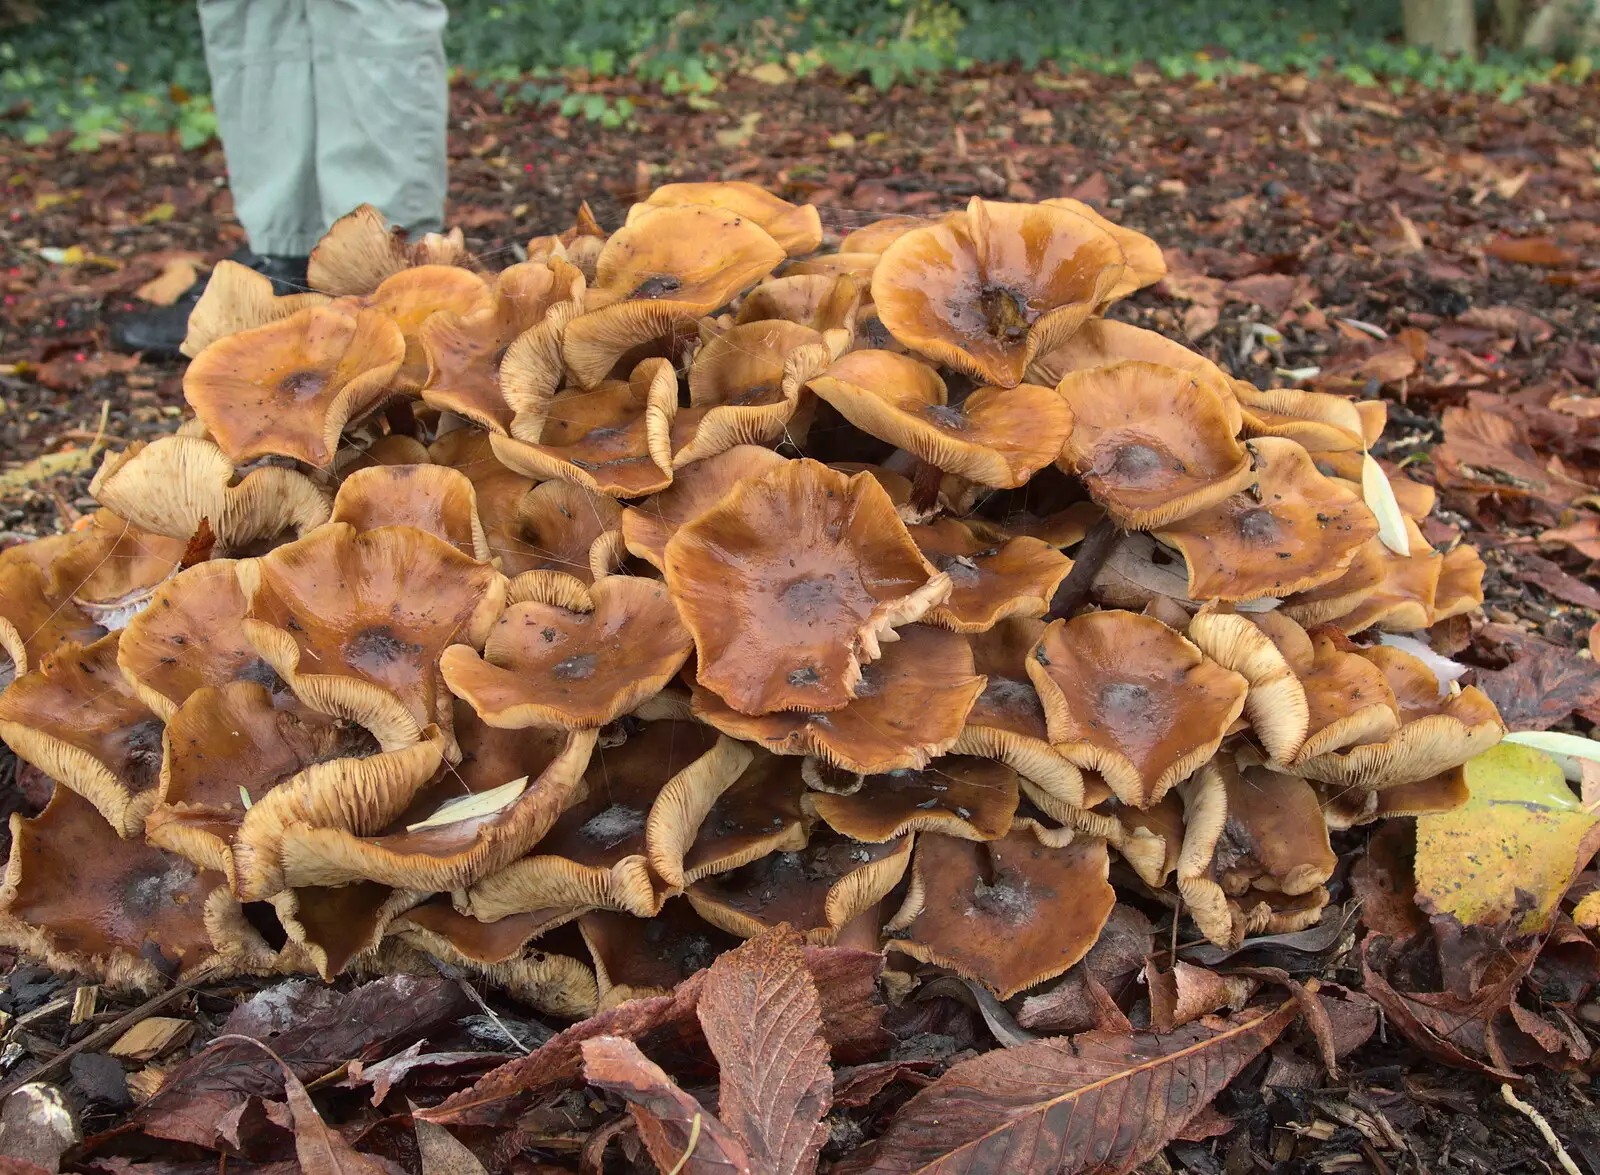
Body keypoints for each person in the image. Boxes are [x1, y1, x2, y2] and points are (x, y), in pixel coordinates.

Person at [111, 0, 450, 356]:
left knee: (374, 8)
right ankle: (284, 257)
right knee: (253, 11)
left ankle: (388, 269)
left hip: (390, 254)